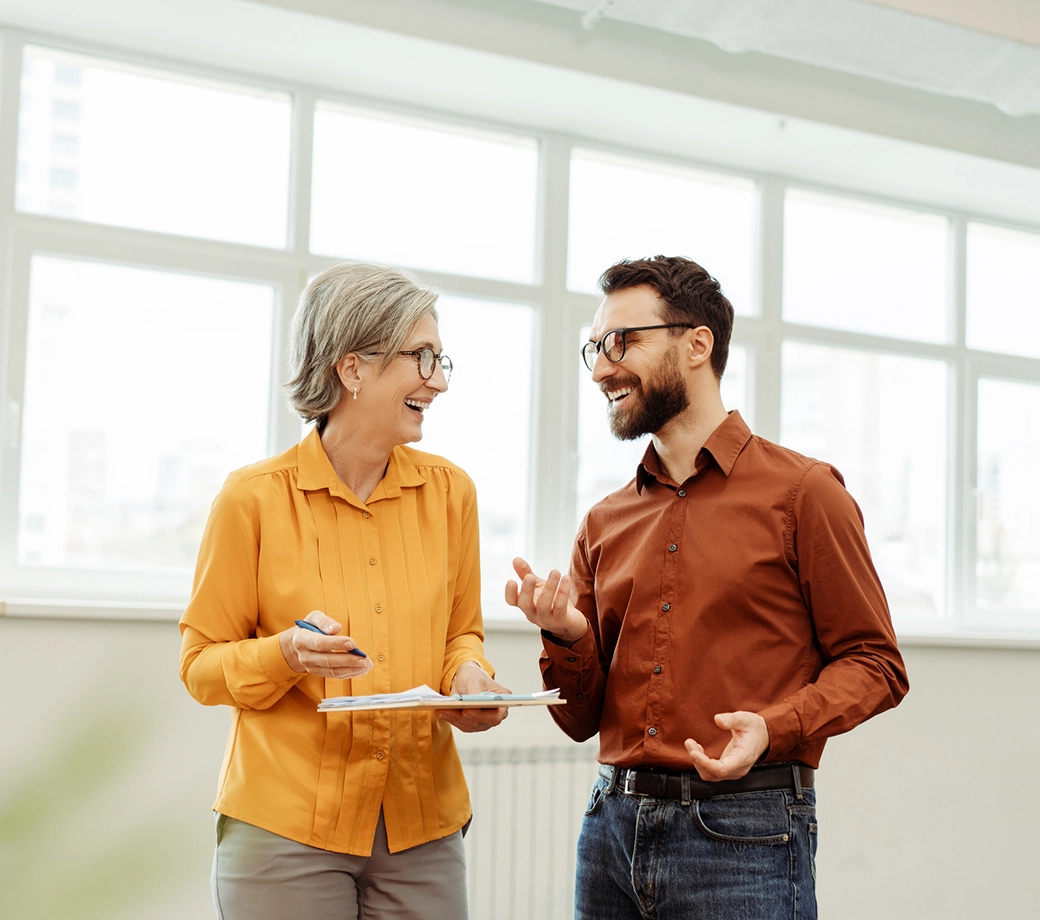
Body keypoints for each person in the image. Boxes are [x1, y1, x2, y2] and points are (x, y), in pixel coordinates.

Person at [506, 255, 909, 920]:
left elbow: (877, 665)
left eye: (621, 341)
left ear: (698, 344)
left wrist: (773, 727)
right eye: (594, 349)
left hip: (744, 835)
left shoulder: (805, 494)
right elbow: (579, 721)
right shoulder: (603, 522)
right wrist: (567, 635)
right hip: (609, 830)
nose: (602, 368)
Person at [179, 261, 510, 920]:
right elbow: (200, 666)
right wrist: (286, 654)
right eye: (422, 357)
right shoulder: (252, 499)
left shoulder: (451, 493)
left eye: (442, 360)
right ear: (352, 367)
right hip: (285, 830)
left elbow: (460, 634)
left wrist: (469, 678)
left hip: (423, 829)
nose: (439, 381)